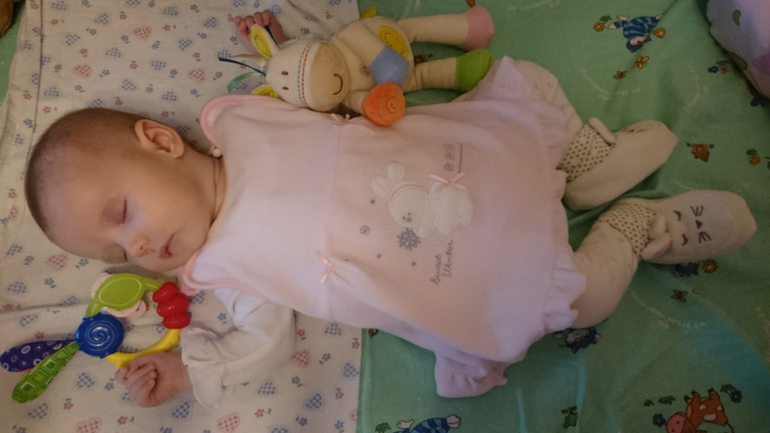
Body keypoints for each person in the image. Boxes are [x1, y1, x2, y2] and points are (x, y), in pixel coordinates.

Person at [23, 13, 756, 408]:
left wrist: (274, 42)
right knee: (581, 300)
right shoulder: (229, 268)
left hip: (466, 159)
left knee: (526, 86)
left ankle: (586, 167)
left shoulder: (244, 122)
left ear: (159, 141)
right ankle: (639, 227)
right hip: (469, 270)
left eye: (122, 213)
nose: (139, 246)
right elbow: (260, 342)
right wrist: (189, 368)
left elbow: (320, 80)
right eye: (118, 254)